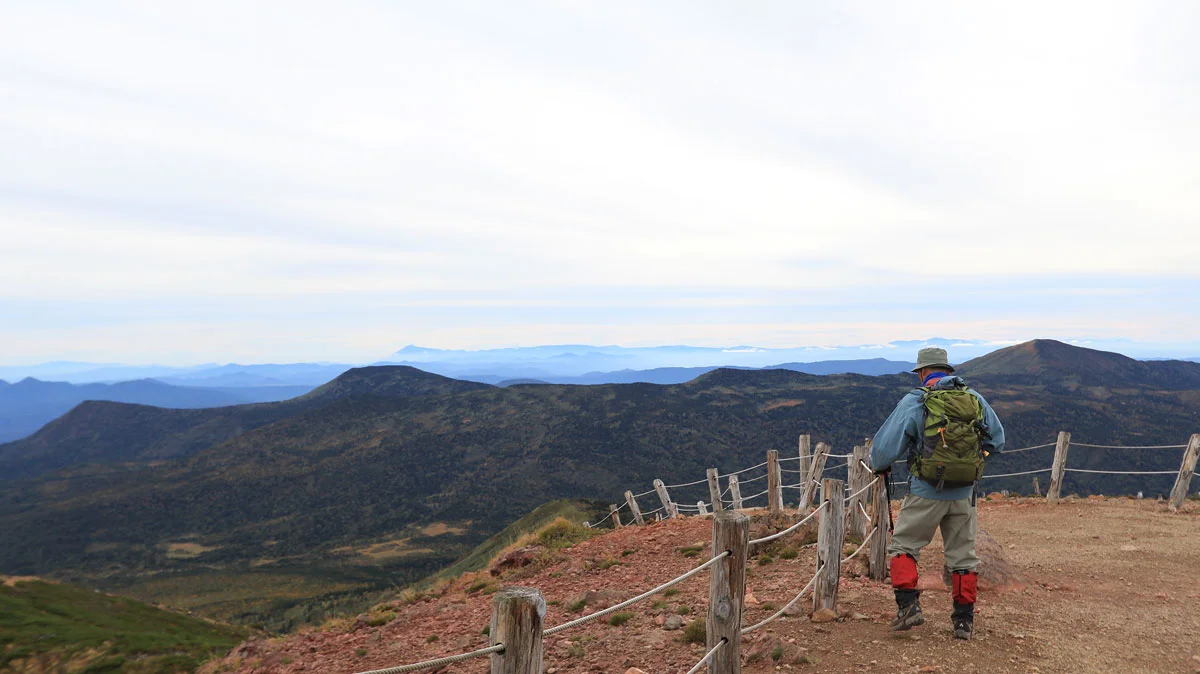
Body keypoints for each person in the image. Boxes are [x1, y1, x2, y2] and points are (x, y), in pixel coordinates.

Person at [869, 347, 1005, 640]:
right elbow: (998, 439)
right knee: (963, 558)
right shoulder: (974, 399)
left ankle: (909, 608)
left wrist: (879, 466)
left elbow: (882, 451)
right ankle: (963, 622)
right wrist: (972, 463)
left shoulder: (916, 401)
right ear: (947, 370)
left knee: (903, 546)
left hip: (925, 490)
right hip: (964, 493)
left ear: (921, 372)